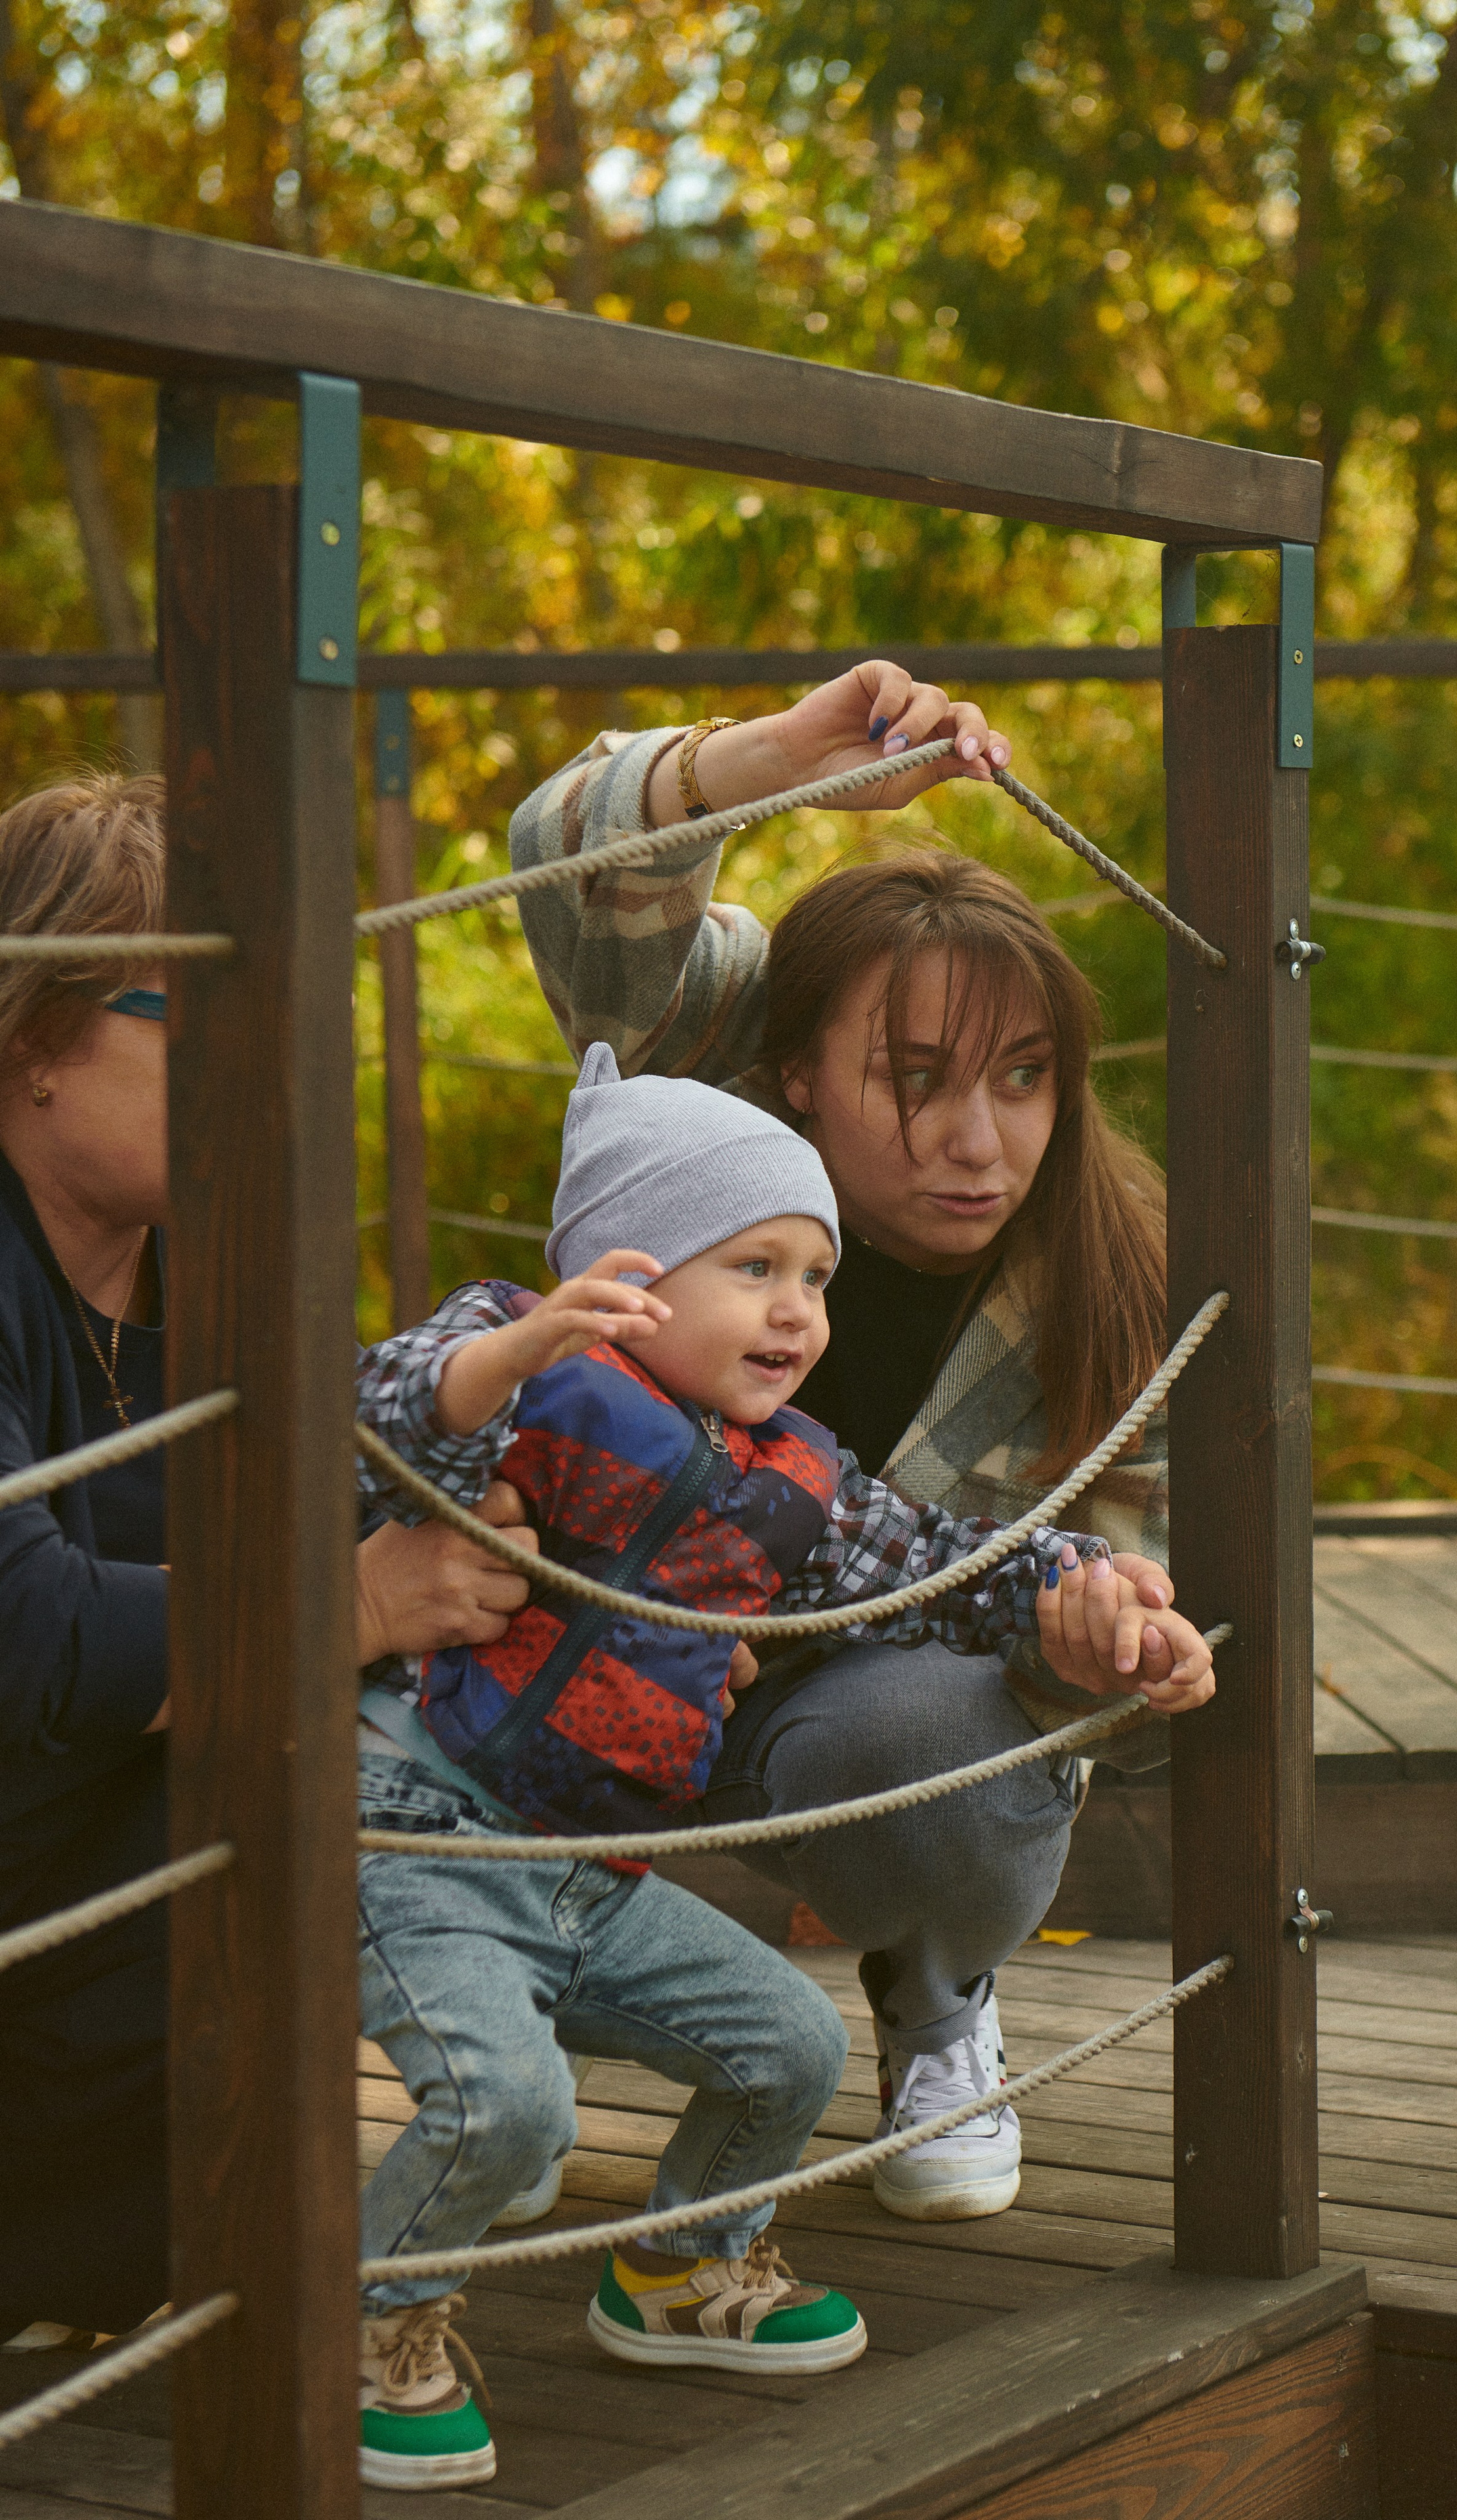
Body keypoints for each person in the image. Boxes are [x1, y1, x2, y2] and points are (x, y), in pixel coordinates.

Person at [349, 1046, 1214, 2492]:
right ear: (629, 1273)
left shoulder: (787, 1472)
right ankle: (373, 2324)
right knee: (512, 2107)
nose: (797, 1310)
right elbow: (386, 1423)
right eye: (754, 1265)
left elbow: (942, 1565)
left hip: (587, 1872)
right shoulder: (524, 1363)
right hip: (425, 1831)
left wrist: (1095, 1585)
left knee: (790, 2051)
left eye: (813, 1275)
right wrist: (513, 1355)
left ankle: (679, 2269)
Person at [507, 665, 1204, 2220]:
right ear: (796, 1073)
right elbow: (562, 859)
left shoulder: (1120, 1277)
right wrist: (775, 760)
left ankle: (937, 1991)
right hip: (580, 1665)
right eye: (915, 1079)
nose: (979, 1141)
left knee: (953, 1744)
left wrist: (1095, 1640)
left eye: (1024, 1081)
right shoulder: (704, 1090)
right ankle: (497, 2029)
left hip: (853, 1710)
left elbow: (1151, 1660)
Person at [0, 774, 541, 2351]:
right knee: (321, 1751)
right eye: (198, 1015)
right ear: (34, 1036)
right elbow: (25, 1636)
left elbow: (350, 1485)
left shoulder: (206, 1262)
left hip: (81, 1933)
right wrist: (358, 1607)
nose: (261, 1075)